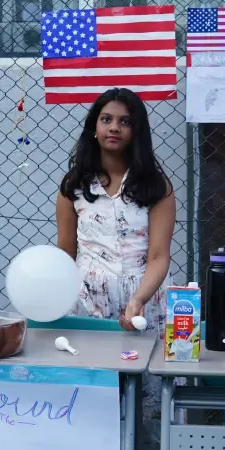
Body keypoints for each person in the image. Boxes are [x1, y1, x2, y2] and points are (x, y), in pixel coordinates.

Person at [56, 87, 175, 331]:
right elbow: (65, 252)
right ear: (94, 128)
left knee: (144, 355)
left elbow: (158, 256)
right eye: (106, 119)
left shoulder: (156, 187)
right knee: (90, 355)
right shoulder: (74, 185)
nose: (114, 128)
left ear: (136, 131)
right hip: (87, 298)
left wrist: (139, 299)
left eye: (125, 122)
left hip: (144, 296)